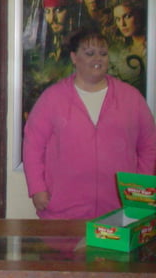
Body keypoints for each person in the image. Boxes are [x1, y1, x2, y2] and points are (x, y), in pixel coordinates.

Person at [23, 26, 156, 220]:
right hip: (63, 210)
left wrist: (140, 190)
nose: (98, 59)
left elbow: (149, 146)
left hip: (119, 211)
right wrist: (37, 188)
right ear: (74, 58)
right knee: (60, 251)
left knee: (113, 251)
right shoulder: (53, 98)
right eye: (90, 53)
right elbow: (33, 146)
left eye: (103, 53)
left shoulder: (131, 98)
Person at [108, 0, 147, 95]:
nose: (122, 24)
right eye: (118, 19)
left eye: (127, 16)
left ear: (140, 14)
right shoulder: (118, 52)